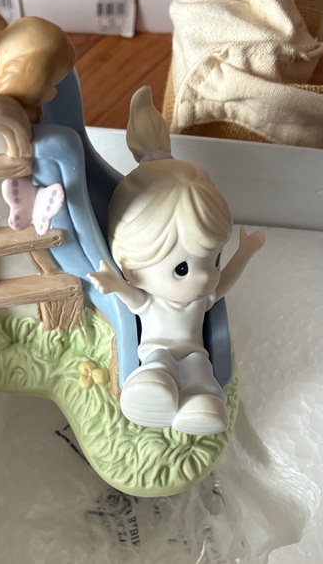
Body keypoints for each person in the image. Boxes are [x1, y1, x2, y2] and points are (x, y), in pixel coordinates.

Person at [88, 87, 265, 435]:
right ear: (133, 267)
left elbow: (225, 281)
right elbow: (134, 298)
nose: (205, 277)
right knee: (159, 364)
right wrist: (115, 284)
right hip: (157, 351)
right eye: (181, 269)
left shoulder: (203, 296)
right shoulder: (150, 297)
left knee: (201, 369)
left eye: (213, 260)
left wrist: (244, 252)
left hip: (195, 352)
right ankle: (151, 390)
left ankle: (203, 401)